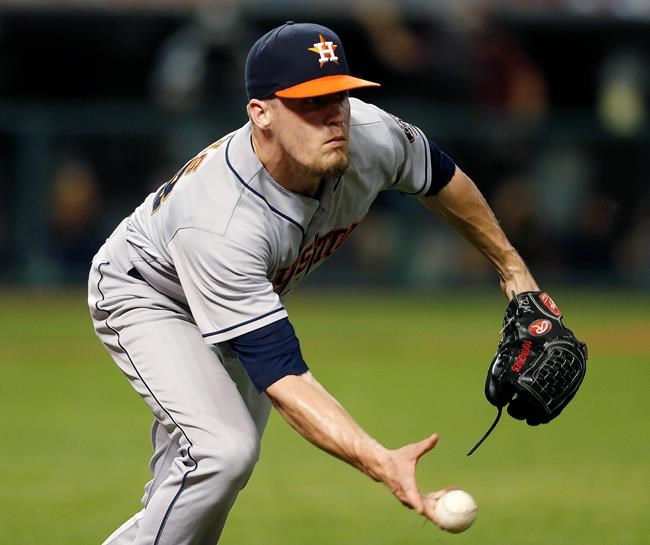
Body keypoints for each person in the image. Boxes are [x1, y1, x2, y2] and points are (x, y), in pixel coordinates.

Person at [88, 22, 539, 545]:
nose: (335, 116)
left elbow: (441, 178)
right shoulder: (221, 221)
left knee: (204, 486)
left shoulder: (370, 134)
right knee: (221, 453)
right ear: (261, 114)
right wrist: (381, 462)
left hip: (232, 293)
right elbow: (284, 376)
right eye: (312, 101)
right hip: (149, 294)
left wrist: (514, 270)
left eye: (341, 95)